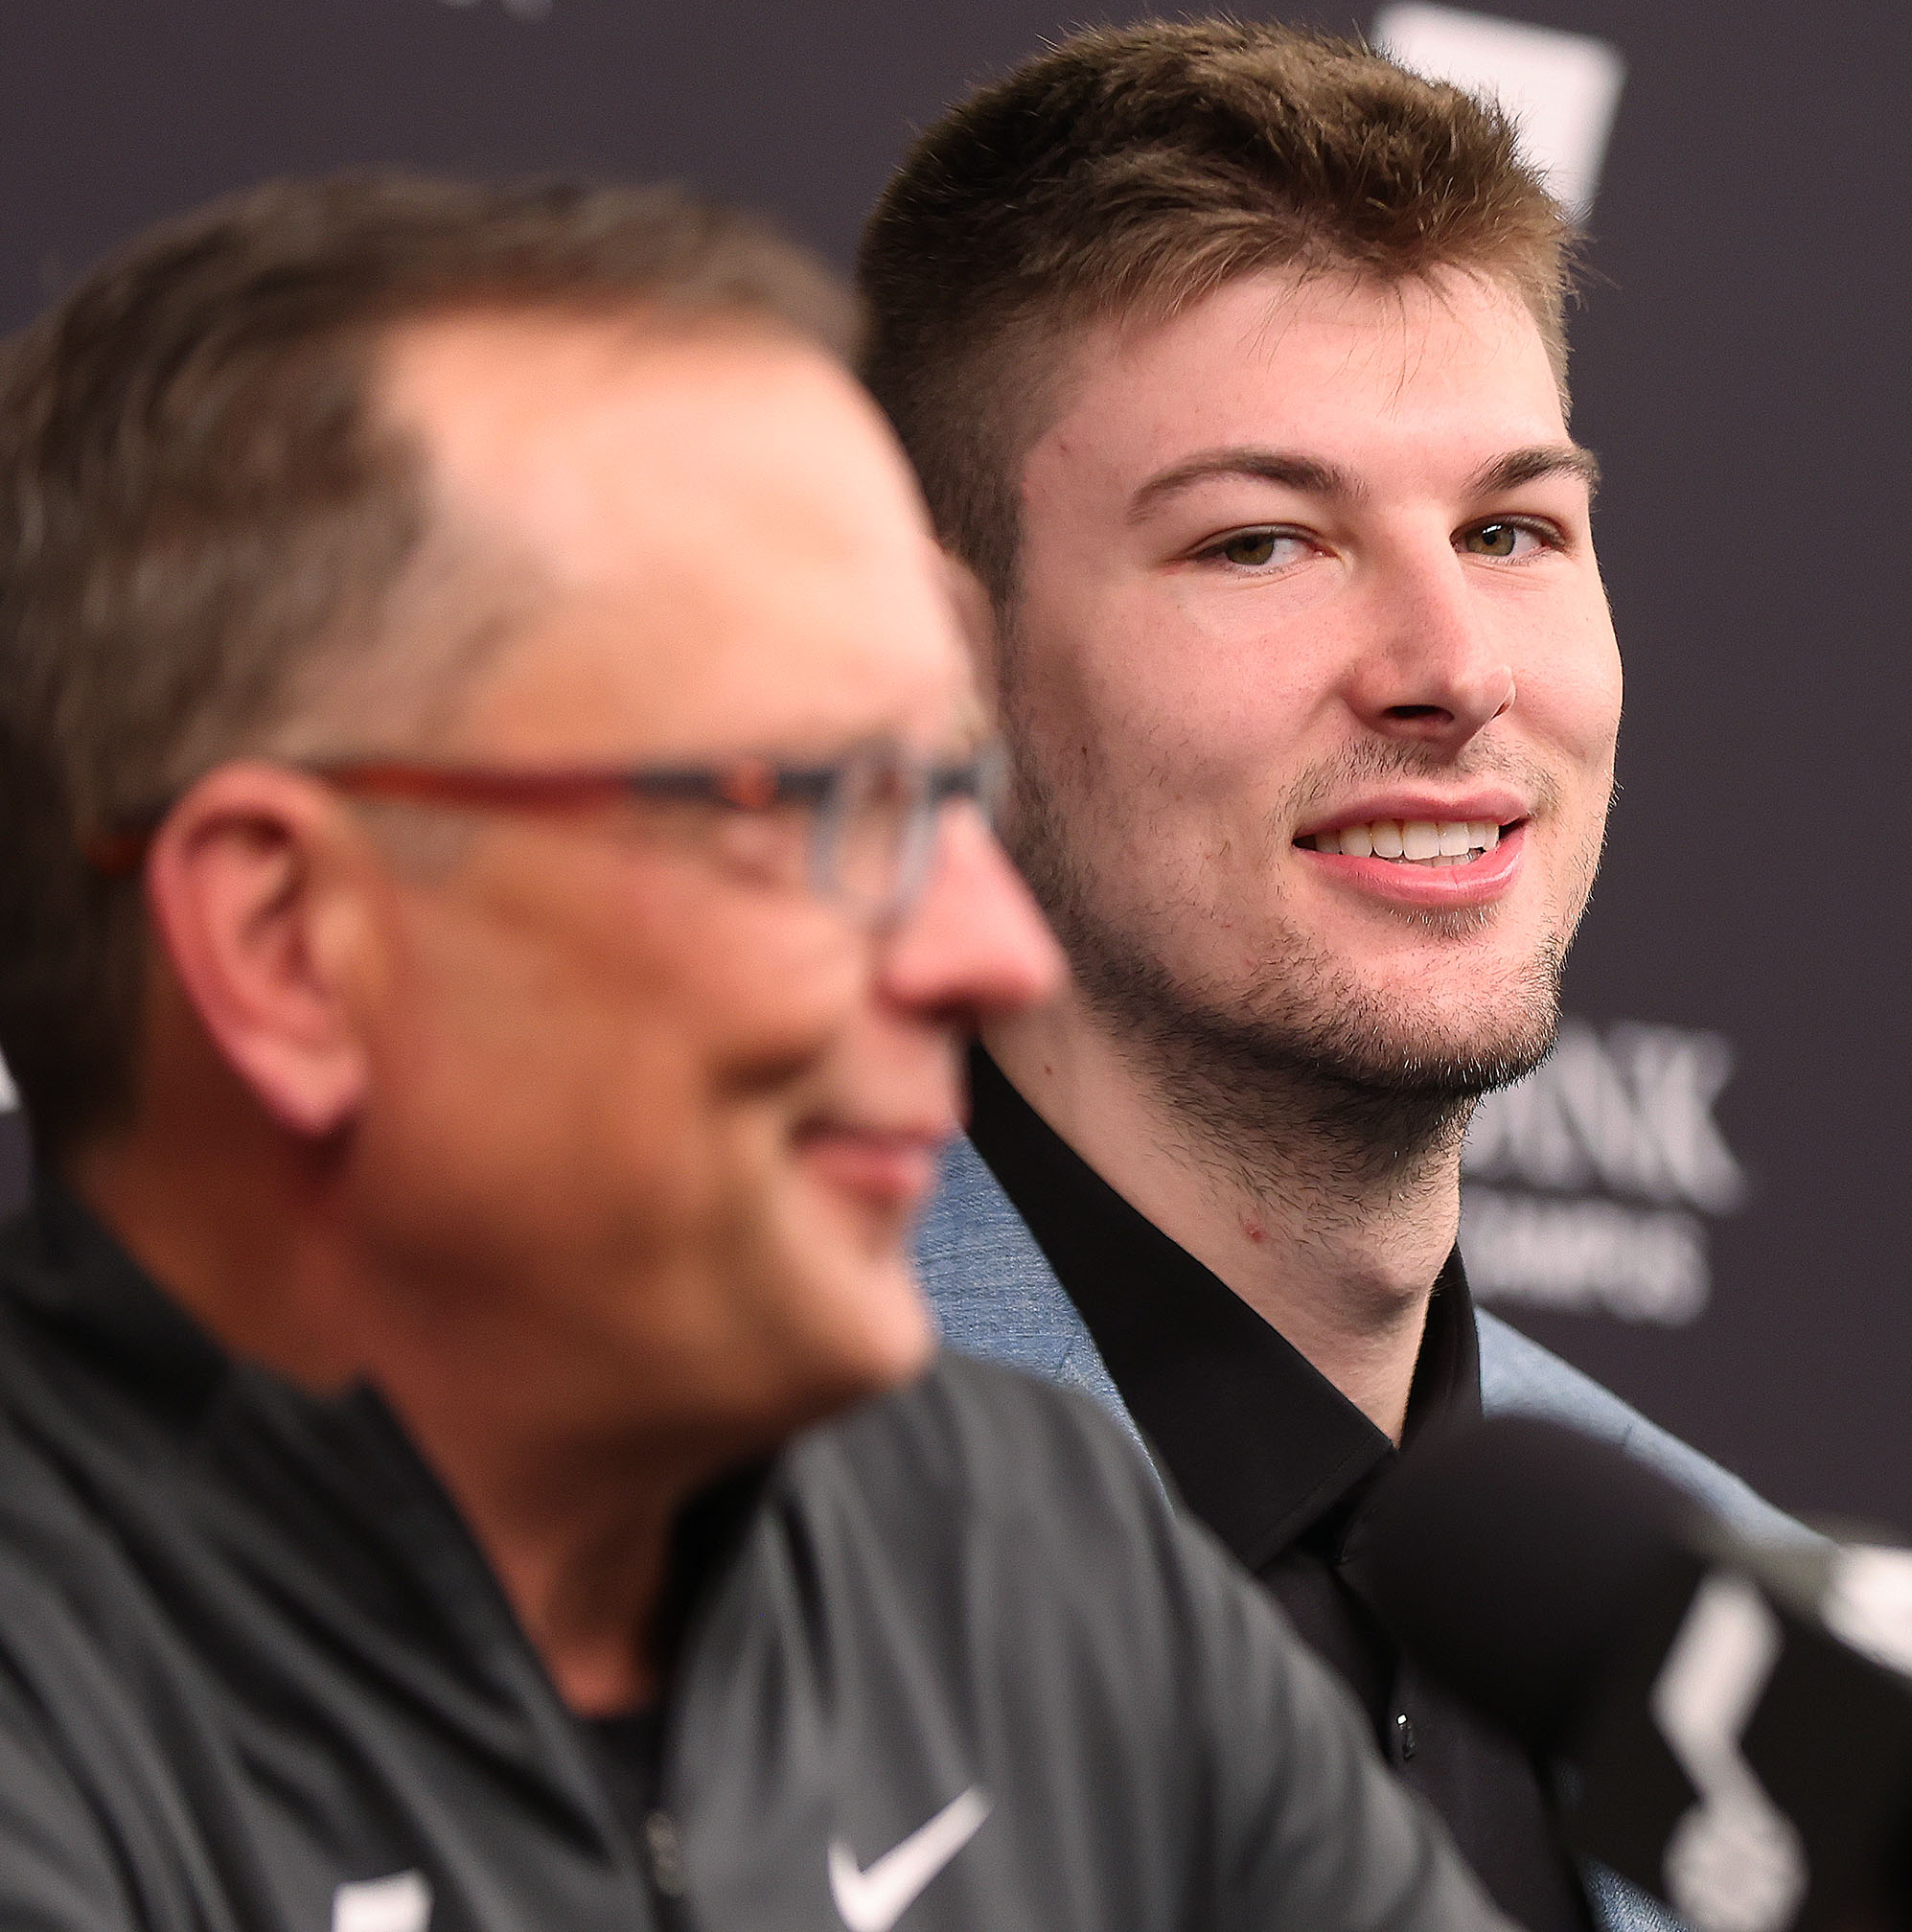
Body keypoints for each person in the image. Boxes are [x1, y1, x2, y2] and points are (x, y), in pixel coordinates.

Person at [0, 174, 1518, 1932]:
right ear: (283, 945)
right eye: (825, 805)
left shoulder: (1024, 1546)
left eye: (959, 792)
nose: (984, 950)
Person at [860, 20, 1801, 1932]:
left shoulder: (1745, 1648)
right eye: (1265, 539)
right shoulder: (632, 1541)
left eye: (1511, 527)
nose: (1454, 663)